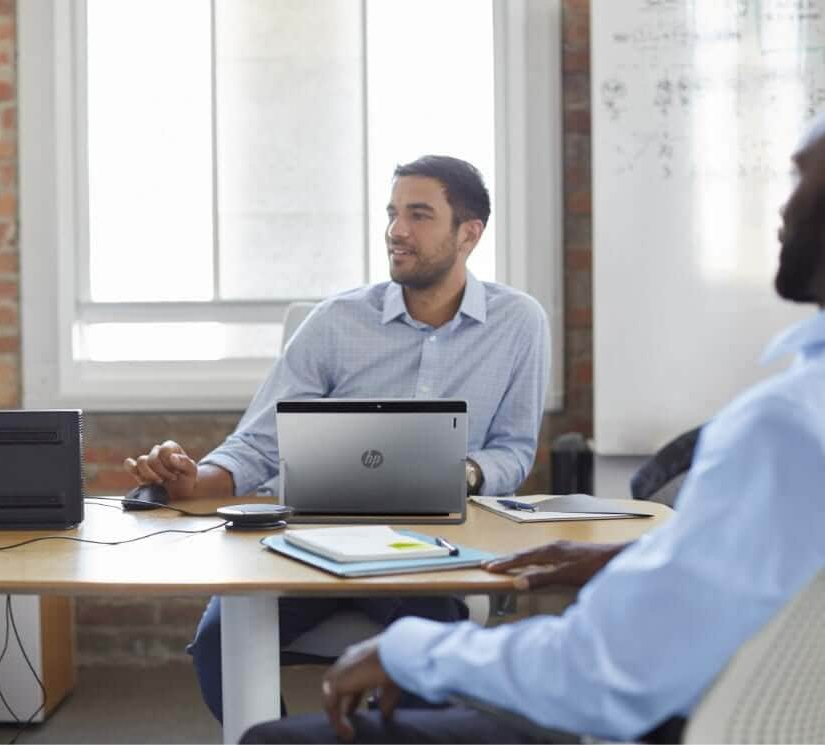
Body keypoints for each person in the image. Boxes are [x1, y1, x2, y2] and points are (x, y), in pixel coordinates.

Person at [238, 121, 825, 744]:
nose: (783, 207)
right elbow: (756, 567)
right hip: (725, 705)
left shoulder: (785, 424)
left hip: (648, 719)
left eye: (804, 181)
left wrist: (415, 651)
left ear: (469, 233)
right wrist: (626, 556)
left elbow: (600, 673)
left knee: (274, 742)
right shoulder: (794, 413)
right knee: (234, 636)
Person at [123, 155, 551, 723]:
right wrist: (194, 479)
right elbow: (260, 443)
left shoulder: (519, 323)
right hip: (309, 539)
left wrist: (464, 473)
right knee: (218, 644)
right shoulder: (335, 321)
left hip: (420, 549)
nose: (396, 230)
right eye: (393, 212)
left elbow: (515, 449)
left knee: (428, 661)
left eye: (419, 215)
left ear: (469, 233)